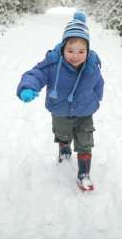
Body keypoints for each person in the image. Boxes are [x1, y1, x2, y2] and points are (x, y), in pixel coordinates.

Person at [16, 11, 104, 191]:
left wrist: (96, 100)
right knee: (63, 134)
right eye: (70, 50)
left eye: (81, 51)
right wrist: (28, 87)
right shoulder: (53, 64)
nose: (75, 55)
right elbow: (36, 73)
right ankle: (64, 150)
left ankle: (84, 173)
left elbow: (99, 84)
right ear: (63, 48)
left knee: (85, 142)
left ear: (88, 51)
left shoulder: (92, 67)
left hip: (84, 112)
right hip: (60, 111)